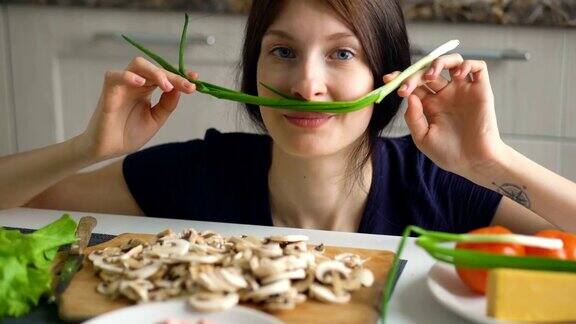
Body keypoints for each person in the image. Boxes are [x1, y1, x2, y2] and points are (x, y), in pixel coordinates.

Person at [1, 0, 575, 235]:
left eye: (342, 54)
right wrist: (87, 146)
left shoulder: (434, 187)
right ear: (254, 71)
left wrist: (489, 159)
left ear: (392, 79)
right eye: (282, 51)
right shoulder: (204, 172)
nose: (305, 84)